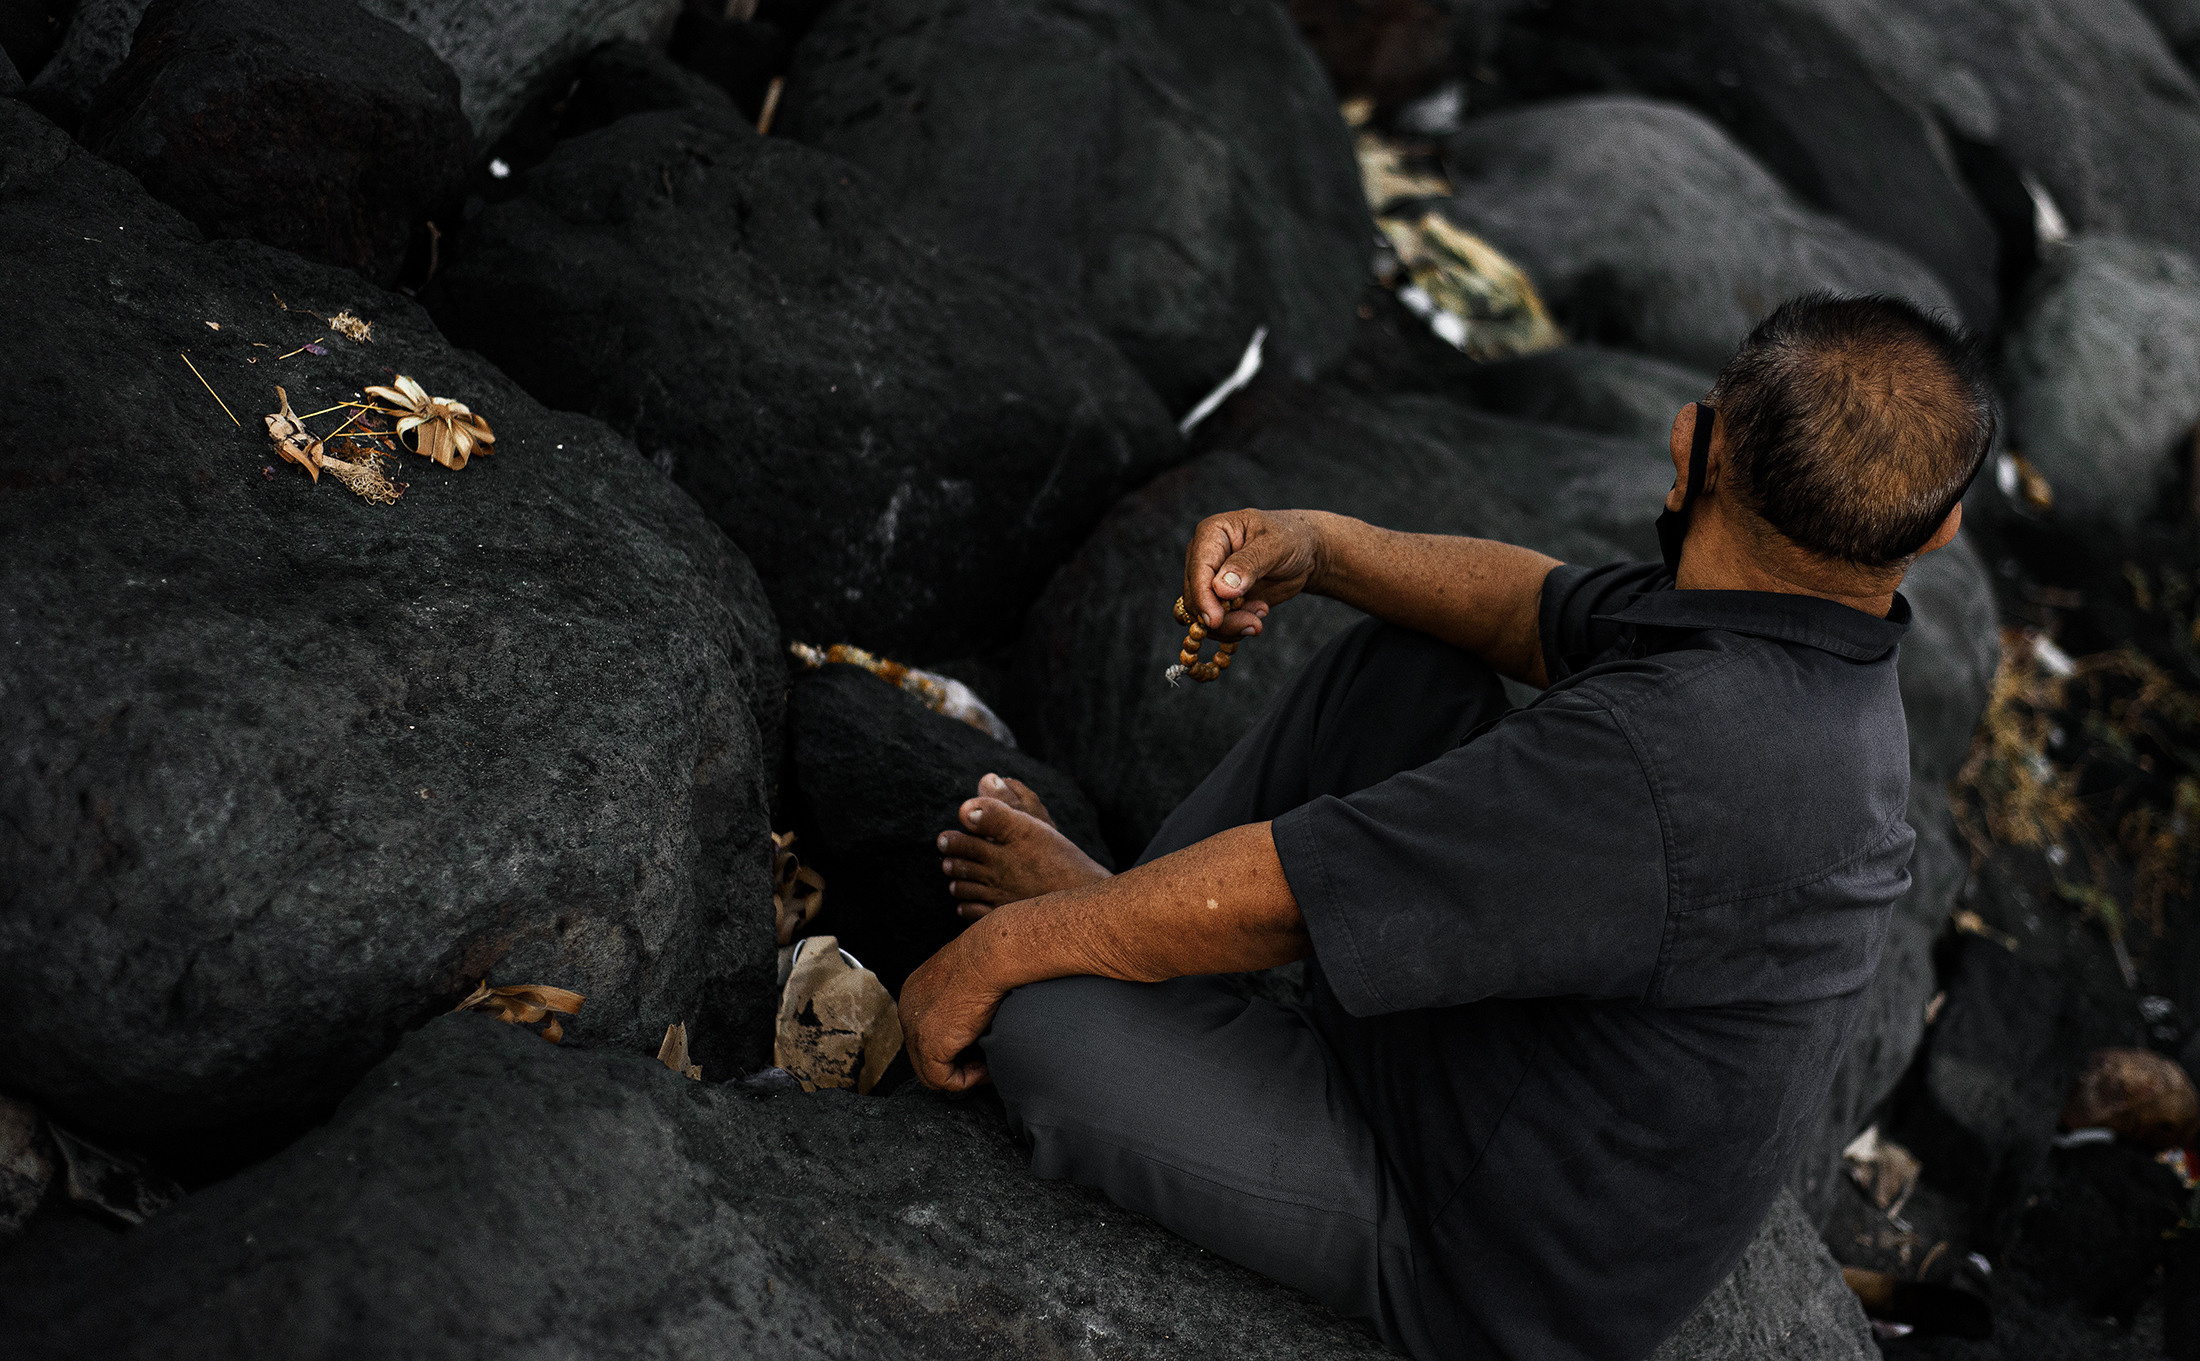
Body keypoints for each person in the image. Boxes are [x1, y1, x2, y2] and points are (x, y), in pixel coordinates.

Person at [895, 292, 1996, 1361]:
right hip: (1510, 1065)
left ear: (1690, 442)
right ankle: (1131, 940)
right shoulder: (1809, 639)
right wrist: (1319, 548)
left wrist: (1000, 951)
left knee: (1037, 1021)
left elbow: (1293, 889)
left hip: (1477, 1254)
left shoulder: (1669, 757)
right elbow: (1534, 609)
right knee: (1396, 662)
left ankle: (1111, 941)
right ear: (1938, 528)